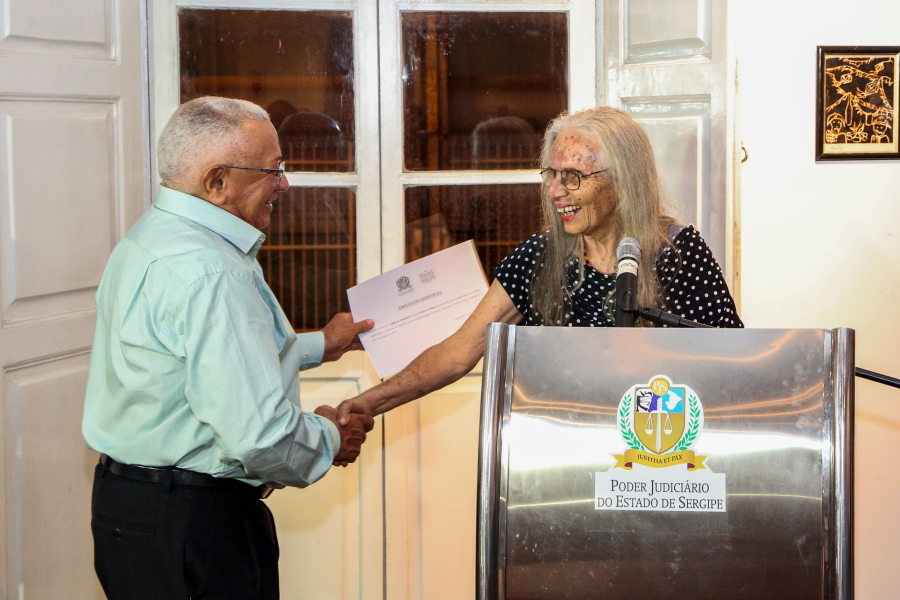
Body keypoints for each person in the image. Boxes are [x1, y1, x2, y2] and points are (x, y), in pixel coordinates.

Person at [82, 96, 374, 600]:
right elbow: (258, 436)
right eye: (273, 169)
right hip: (197, 525)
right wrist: (331, 438)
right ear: (216, 181)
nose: (284, 184)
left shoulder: (150, 237)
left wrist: (321, 345)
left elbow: (186, 359)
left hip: (129, 513)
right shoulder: (212, 270)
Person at [337, 106, 742, 422]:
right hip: (561, 446)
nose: (554, 192)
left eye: (573, 176)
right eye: (552, 175)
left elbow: (732, 365)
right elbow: (458, 352)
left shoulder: (678, 253)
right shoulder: (538, 255)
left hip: (654, 453)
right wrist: (367, 403)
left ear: (624, 180)